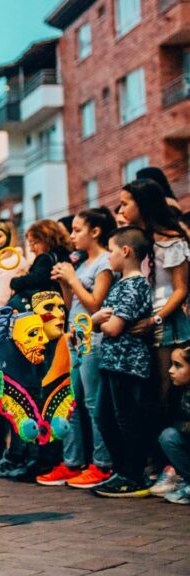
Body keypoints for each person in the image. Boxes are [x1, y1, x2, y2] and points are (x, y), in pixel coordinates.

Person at [36, 208, 117, 489]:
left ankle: (101, 464)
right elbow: (70, 307)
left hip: (93, 339)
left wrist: (71, 279)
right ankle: (72, 462)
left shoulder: (105, 262)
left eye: (78, 230)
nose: (72, 236)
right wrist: (64, 283)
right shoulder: (82, 264)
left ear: (95, 232)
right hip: (73, 338)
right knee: (69, 403)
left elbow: (97, 304)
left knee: (93, 403)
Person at [117, 179, 190, 476]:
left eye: (125, 203)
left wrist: (155, 320)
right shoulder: (140, 239)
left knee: (163, 396)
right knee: (146, 396)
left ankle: (166, 465)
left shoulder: (171, 239)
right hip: (142, 325)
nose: (121, 209)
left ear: (143, 204)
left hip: (166, 325)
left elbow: (180, 289)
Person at [91, 226, 153, 497]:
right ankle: (122, 471)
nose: (108, 257)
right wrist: (97, 321)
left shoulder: (134, 285)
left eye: (112, 251)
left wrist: (97, 321)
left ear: (125, 251)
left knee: (126, 418)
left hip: (127, 363)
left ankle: (133, 474)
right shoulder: (122, 284)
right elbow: (105, 323)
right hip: (113, 362)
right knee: (104, 416)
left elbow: (114, 327)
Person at [10, 219, 72, 309]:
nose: (31, 249)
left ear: (46, 239)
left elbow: (36, 279)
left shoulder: (45, 258)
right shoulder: (65, 254)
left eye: (33, 243)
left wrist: (15, 281)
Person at [156, 343, 190, 503]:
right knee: (168, 436)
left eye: (178, 366)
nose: (170, 371)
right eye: (171, 365)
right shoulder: (177, 390)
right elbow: (173, 420)